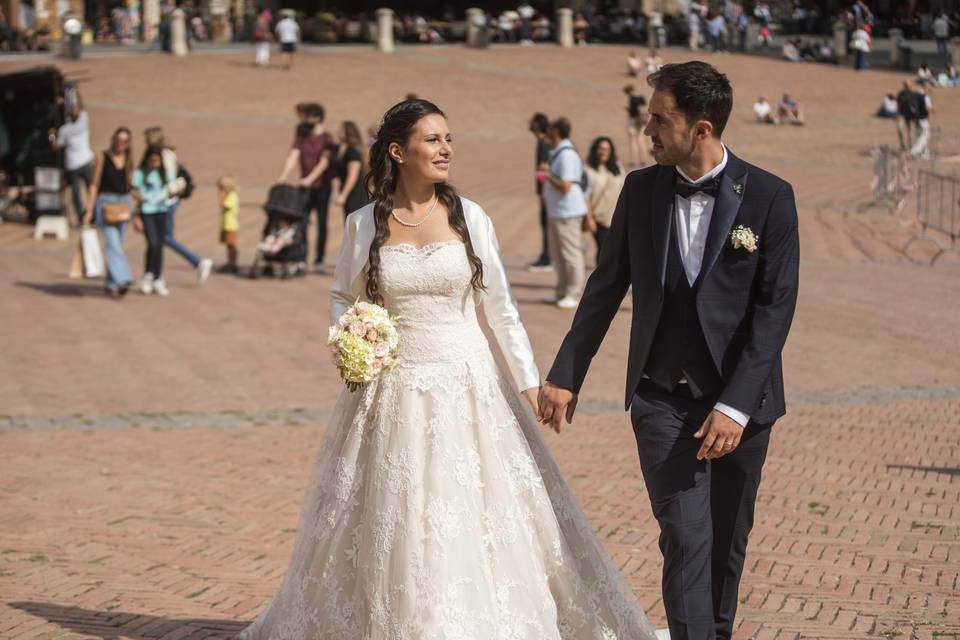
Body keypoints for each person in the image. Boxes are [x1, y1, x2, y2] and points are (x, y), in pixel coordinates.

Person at [236, 98, 658, 640]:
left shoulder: (471, 217)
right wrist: (353, 341)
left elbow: (500, 307)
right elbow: (343, 295)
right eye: (432, 139)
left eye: (448, 138)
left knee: (474, 507)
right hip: (391, 390)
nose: (446, 148)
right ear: (397, 151)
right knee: (397, 513)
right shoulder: (363, 224)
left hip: (468, 384)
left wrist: (528, 380)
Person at [539, 61, 800, 640]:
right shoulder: (641, 190)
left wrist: (734, 408)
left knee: (727, 542)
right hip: (662, 398)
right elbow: (606, 286)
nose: (647, 130)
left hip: (742, 407)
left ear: (700, 128)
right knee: (685, 536)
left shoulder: (771, 198)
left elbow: (773, 314)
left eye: (660, 119)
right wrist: (566, 373)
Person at [144, 127, 213, 284]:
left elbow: (167, 180)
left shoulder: (164, 155)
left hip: (165, 202)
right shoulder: (168, 153)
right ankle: (154, 274)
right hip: (165, 201)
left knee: (163, 238)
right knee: (159, 239)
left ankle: (198, 262)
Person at [277, 102, 337, 272]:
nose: (306, 120)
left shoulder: (327, 138)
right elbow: (293, 157)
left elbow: (324, 163)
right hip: (305, 188)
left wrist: (310, 179)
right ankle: (301, 257)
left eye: (309, 116)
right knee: (301, 223)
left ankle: (319, 260)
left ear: (318, 118)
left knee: (322, 224)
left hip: (322, 187)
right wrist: (281, 178)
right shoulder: (302, 137)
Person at [82, 127, 135, 298]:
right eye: (119, 139)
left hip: (124, 204)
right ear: (114, 140)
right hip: (106, 203)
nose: (121, 144)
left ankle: (112, 284)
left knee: (117, 245)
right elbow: (94, 185)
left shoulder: (128, 160)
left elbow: (130, 184)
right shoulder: (102, 157)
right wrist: (89, 210)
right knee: (112, 244)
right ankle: (124, 278)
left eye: (125, 141)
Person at [542, 117, 587, 310]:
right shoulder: (559, 153)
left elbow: (566, 186)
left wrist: (547, 175)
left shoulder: (567, 155)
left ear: (557, 131)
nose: (548, 131)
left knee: (570, 253)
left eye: (551, 128)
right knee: (558, 254)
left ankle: (574, 293)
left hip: (567, 212)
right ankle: (561, 291)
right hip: (558, 211)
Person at [131, 146, 174, 297]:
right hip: (146, 211)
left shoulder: (164, 173)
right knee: (153, 243)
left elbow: (172, 189)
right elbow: (134, 195)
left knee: (159, 245)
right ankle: (148, 274)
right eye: (152, 158)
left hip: (161, 211)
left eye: (157, 159)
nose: (155, 162)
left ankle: (157, 277)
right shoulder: (140, 174)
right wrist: (135, 216)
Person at [49, 91, 94, 225]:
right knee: (86, 190)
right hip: (82, 162)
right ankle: (88, 216)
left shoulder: (66, 129)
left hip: (76, 164)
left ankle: (85, 216)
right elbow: (83, 108)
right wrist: (77, 92)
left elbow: (56, 147)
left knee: (81, 192)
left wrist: (51, 136)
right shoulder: (81, 121)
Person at [584, 136, 625, 255]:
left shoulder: (617, 168)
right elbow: (585, 196)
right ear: (595, 150)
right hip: (599, 219)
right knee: (604, 250)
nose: (603, 152)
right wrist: (589, 218)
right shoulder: (588, 170)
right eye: (601, 149)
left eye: (607, 149)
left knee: (614, 251)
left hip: (616, 217)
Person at [527, 112, 553, 272]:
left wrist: (544, 192)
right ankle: (546, 256)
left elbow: (543, 168)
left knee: (546, 224)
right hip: (547, 191)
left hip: (546, 191)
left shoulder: (543, 143)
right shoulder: (545, 142)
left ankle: (547, 258)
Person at [332, 120, 369, 217]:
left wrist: (343, 195)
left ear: (347, 133)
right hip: (350, 193)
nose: (337, 132)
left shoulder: (352, 150)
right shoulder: (343, 149)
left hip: (355, 193)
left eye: (340, 130)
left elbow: (353, 175)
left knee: (354, 222)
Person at [624, 85, 651, 167]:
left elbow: (632, 112)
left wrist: (627, 109)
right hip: (641, 122)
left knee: (633, 142)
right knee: (641, 141)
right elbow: (646, 109)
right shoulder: (641, 98)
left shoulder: (631, 99)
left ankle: (633, 161)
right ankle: (643, 160)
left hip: (633, 122)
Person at [217, 176, 239, 273]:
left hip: (231, 226)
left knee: (232, 245)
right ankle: (230, 262)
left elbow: (225, 206)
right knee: (228, 246)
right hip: (226, 225)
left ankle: (233, 263)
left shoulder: (232, 196)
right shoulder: (229, 196)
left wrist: (221, 197)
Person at [910, 82, 933, 159]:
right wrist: (933, 110)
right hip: (923, 118)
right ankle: (915, 151)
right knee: (925, 135)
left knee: (920, 135)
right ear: (925, 88)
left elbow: (911, 106)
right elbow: (928, 108)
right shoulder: (925, 97)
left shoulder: (913, 95)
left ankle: (924, 152)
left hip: (915, 118)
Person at [896, 80, 918, 150]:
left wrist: (915, 116)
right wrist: (897, 114)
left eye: (908, 84)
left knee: (910, 131)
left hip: (910, 116)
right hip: (902, 114)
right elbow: (898, 104)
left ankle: (910, 146)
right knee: (899, 128)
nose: (907, 85)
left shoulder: (913, 94)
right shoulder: (901, 94)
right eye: (906, 84)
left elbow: (916, 106)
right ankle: (902, 144)